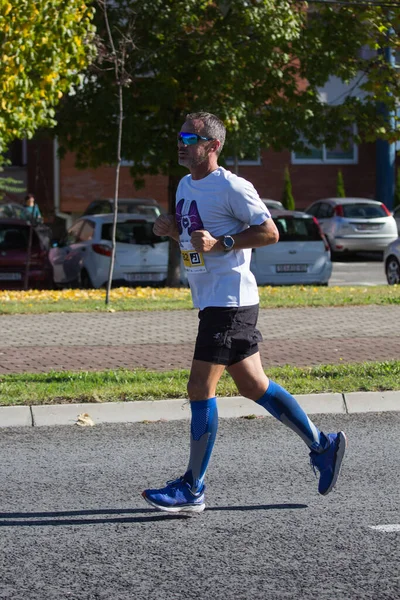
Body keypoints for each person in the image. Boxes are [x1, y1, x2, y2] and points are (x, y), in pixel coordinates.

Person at [142, 112, 347, 514]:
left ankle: (192, 487)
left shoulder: (233, 186)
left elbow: (270, 232)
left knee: (200, 388)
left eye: (189, 136)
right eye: (179, 135)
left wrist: (223, 242)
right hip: (213, 300)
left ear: (213, 146)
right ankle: (323, 446)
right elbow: (195, 243)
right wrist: (172, 231)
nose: (180, 142)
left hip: (229, 301)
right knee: (255, 386)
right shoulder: (185, 185)